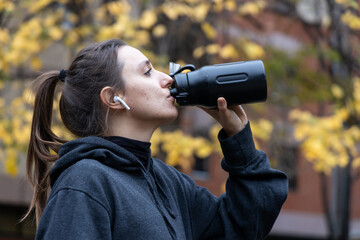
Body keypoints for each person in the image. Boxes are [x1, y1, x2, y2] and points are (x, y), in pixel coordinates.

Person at [25, 39, 288, 240]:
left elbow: (244, 226)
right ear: (113, 98)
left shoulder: (168, 182)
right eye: (148, 72)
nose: (167, 79)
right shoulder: (85, 183)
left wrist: (239, 140)